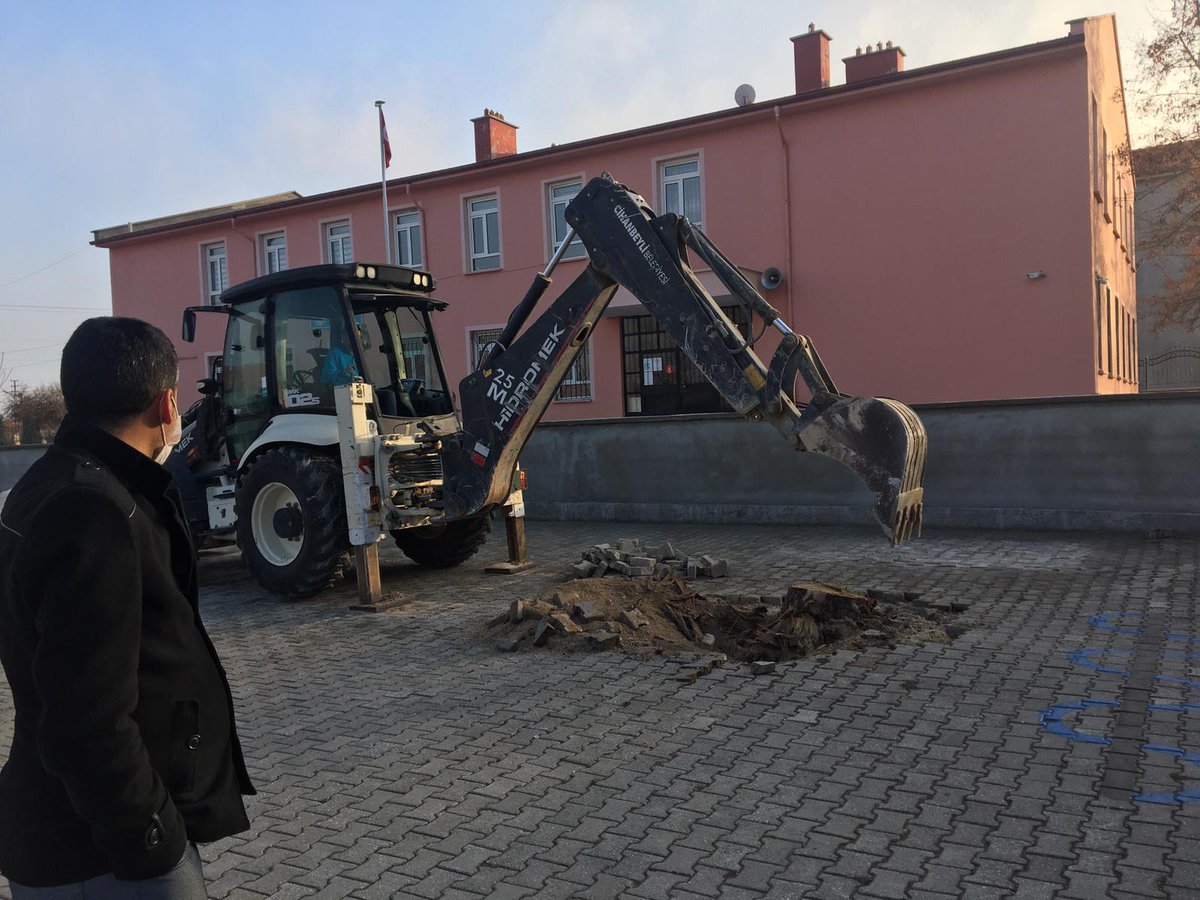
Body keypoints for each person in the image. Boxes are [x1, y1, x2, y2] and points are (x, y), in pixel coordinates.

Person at [0, 318, 254, 897]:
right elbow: (85, 722)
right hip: (102, 853)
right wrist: (154, 840)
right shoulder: (93, 512)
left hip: (86, 836)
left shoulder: (59, 485)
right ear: (167, 402)